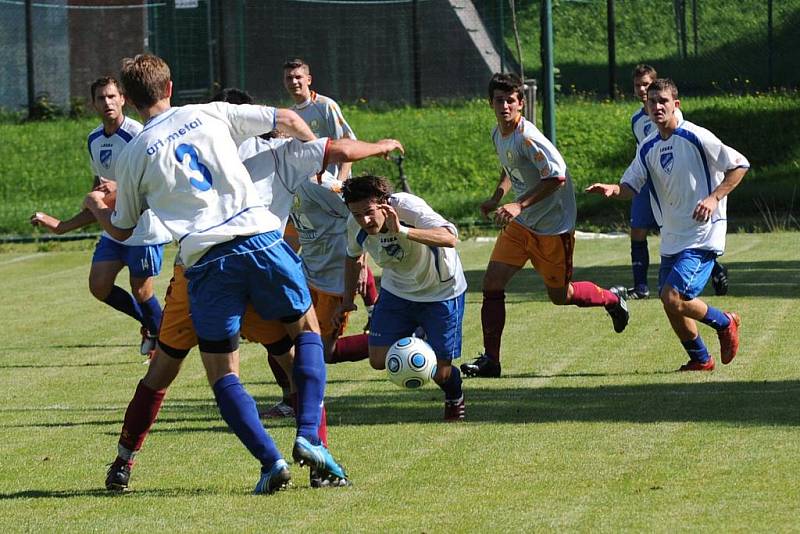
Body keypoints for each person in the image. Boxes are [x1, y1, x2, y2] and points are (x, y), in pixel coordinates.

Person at [100, 85, 402, 492]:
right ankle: (316, 456)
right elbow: (338, 149)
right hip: (260, 255)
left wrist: (104, 204)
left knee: (166, 370)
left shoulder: (197, 138)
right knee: (298, 354)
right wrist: (380, 145)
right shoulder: (280, 154)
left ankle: (123, 461)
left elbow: (138, 208)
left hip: (201, 272)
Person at [460, 73, 629, 379]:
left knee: (560, 296)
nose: (505, 106)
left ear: (520, 103)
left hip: (553, 227)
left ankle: (613, 299)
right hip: (522, 224)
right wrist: (497, 196)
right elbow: (510, 166)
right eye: (499, 100)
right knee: (491, 283)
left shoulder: (529, 137)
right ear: (491, 103)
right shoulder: (499, 134)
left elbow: (557, 177)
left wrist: (518, 204)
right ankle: (491, 361)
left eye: (511, 100)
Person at [586, 78, 746, 371]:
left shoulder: (696, 136)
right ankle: (700, 358)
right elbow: (630, 184)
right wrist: (613, 189)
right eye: (652, 101)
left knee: (673, 296)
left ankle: (725, 323)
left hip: (702, 235)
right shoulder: (647, 146)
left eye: (663, 101)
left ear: (676, 105)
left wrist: (713, 198)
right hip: (672, 237)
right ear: (645, 106)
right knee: (669, 302)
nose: (657, 106)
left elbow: (739, 165)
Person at [30, 77, 171, 357]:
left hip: (144, 229)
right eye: (100, 98)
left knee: (141, 291)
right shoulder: (94, 139)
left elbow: (156, 182)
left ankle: (167, 346)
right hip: (113, 224)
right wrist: (62, 226)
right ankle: (154, 327)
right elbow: (100, 195)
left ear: (123, 99)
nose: (106, 102)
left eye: (111, 96)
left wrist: (120, 187)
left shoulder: (139, 134)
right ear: (93, 103)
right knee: (99, 285)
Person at [335, 175, 468, 421]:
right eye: (356, 214)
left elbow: (450, 238)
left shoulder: (408, 207)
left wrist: (403, 231)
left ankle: (454, 396)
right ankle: (418, 336)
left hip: (441, 293)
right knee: (377, 360)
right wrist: (346, 300)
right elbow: (352, 258)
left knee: (441, 373)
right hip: (397, 292)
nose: (364, 220)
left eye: (369, 212)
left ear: (385, 204)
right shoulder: (355, 225)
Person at [627, 65, 728, 299]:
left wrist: (713, 197)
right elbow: (643, 150)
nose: (642, 89)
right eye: (638, 85)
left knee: (680, 233)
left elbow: (677, 143)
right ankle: (641, 287)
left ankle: (712, 266)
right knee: (637, 230)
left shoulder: (682, 126)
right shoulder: (636, 119)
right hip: (647, 181)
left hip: (675, 181)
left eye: (646, 84)